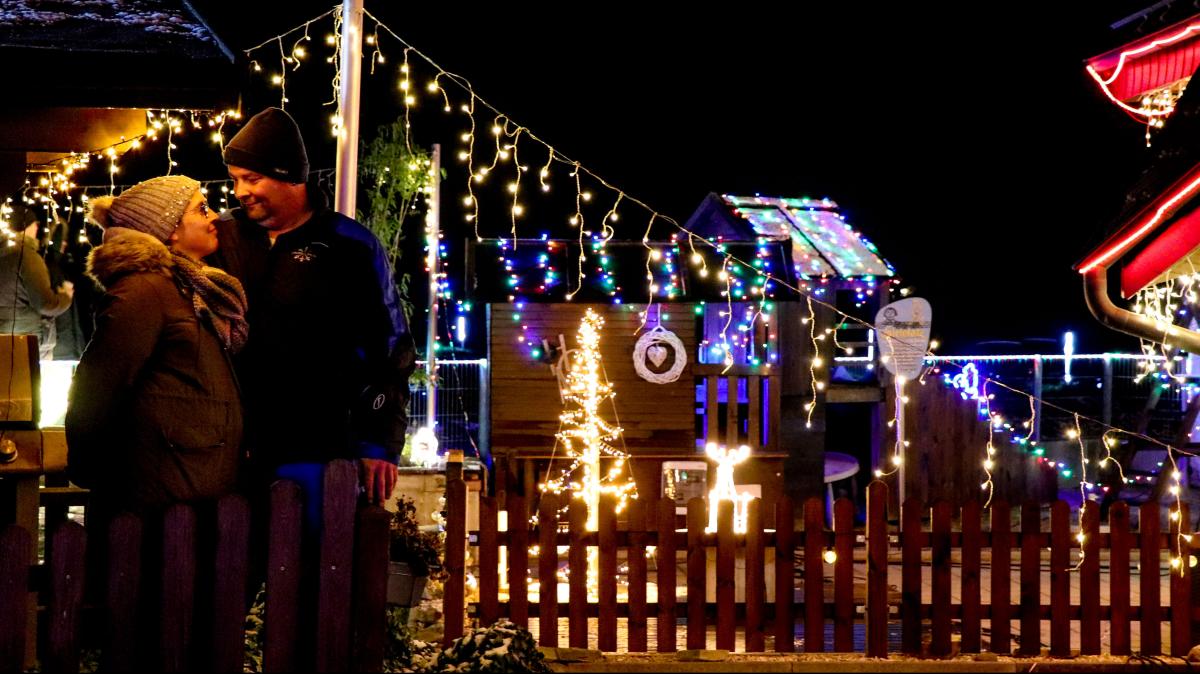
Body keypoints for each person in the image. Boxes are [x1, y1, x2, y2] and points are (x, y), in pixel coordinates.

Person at [210, 106, 415, 527]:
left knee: (313, 576)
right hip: (226, 448)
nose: (239, 191)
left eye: (252, 179)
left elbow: (390, 347)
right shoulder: (221, 236)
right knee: (228, 577)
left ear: (289, 176)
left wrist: (379, 444)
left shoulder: (349, 245)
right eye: (235, 180)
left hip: (318, 448)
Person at [65, 175, 247, 514]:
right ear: (171, 228)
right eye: (201, 209)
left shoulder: (189, 286)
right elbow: (98, 386)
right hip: (158, 496)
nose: (213, 217)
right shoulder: (145, 291)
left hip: (190, 485)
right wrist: (92, 468)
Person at [0, 197, 73, 358]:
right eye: (34, 223)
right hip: (26, 340)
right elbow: (45, 303)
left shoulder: (4, 253)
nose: (37, 228)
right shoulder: (26, 256)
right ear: (25, 226)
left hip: (3, 339)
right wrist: (65, 296)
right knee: (27, 381)